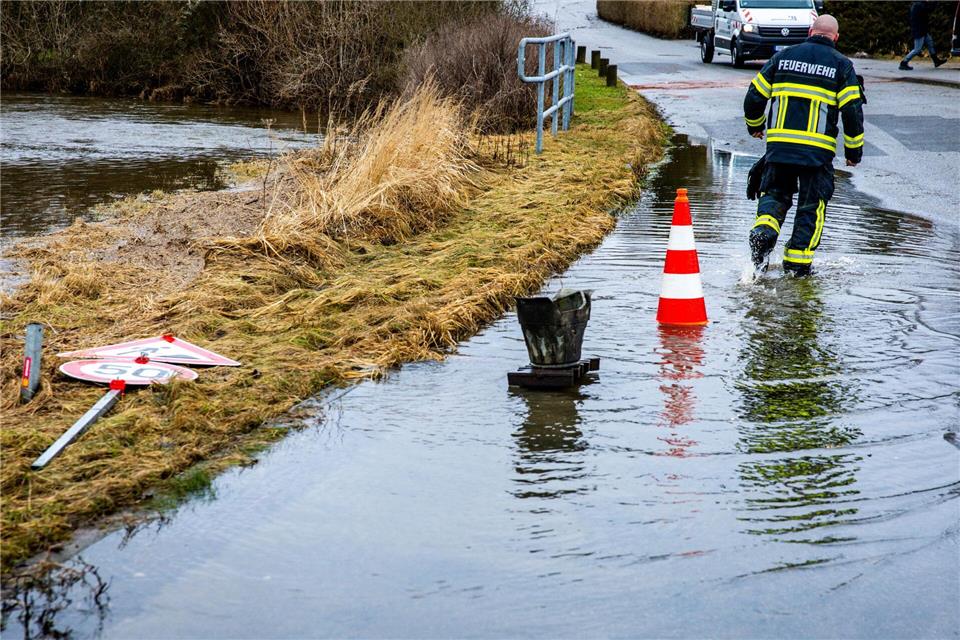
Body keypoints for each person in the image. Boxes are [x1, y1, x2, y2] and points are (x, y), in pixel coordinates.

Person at [742, 14, 864, 277]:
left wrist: (755, 125)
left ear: (810, 31)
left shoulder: (782, 57)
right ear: (836, 37)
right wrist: (853, 152)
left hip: (779, 150)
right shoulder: (841, 65)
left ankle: (763, 233)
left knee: (774, 194)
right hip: (816, 156)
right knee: (811, 208)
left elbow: (754, 96)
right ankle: (797, 267)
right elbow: (852, 112)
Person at [900, 1, 946, 70]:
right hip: (919, 31)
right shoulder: (919, 5)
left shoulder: (918, 4)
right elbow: (929, 9)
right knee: (917, 49)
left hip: (922, 30)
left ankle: (936, 61)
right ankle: (903, 63)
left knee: (930, 43)